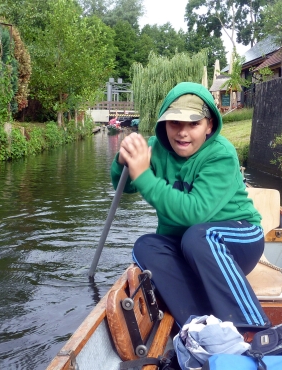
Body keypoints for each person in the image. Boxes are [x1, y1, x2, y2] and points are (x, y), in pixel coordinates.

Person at [110, 82, 270, 331]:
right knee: (145, 246)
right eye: (175, 123)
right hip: (189, 246)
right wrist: (123, 162)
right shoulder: (155, 148)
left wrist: (143, 175)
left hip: (239, 240)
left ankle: (252, 326)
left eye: (193, 124)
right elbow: (127, 188)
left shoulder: (221, 154)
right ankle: (197, 325)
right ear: (164, 125)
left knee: (198, 235)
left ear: (209, 126)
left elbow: (194, 213)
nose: (182, 133)